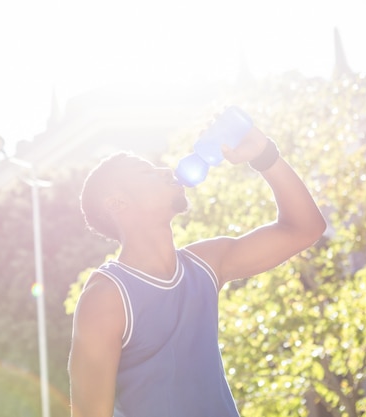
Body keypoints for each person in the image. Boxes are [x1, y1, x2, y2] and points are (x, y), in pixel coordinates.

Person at [68, 119, 326, 417]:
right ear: (117, 203)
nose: (165, 170)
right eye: (147, 172)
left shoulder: (206, 264)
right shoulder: (106, 298)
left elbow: (306, 229)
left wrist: (264, 155)